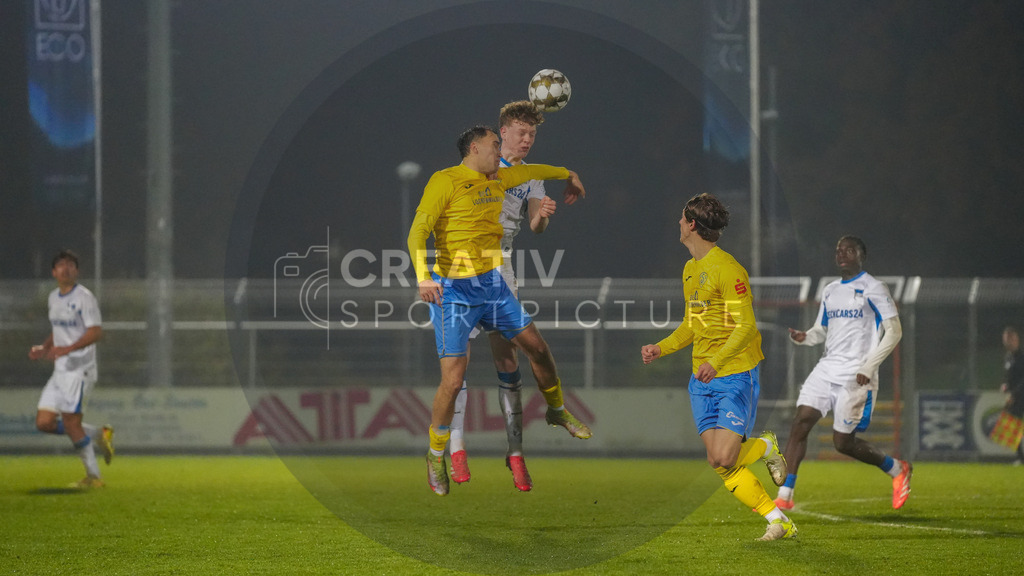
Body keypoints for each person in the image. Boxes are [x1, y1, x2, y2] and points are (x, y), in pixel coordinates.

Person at [408, 125, 592, 496]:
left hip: (492, 286)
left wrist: (569, 174)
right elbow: (417, 232)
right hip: (453, 292)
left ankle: (556, 410)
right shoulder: (445, 181)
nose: (500, 153)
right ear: (475, 148)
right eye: (495, 146)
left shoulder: (501, 177)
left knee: (537, 348)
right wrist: (423, 277)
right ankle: (435, 452)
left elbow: (536, 170)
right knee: (453, 380)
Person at [641, 193, 794, 542]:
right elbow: (691, 326)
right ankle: (778, 520)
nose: (678, 223)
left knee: (726, 455)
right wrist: (660, 348)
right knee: (719, 462)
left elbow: (746, 327)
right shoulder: (690, 269)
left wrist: (716, 362)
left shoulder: (727, 269)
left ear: (692, 224)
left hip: (734, 374)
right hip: (701, 379)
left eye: (682, 218)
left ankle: (767, 446)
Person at [447, 101, 584, 492]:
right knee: (458, 364)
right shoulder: (481, 163)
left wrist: (543, 215)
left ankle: (516, 452)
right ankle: (457, 450)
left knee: (509, 357)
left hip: (503, 266)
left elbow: (537, 227)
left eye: (533, 135)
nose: (527, 140)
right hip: (464, 262)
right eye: (521, 133)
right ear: (502, 132)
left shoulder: (530, 178)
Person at [773, 236, 911, 510]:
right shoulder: (830, 289)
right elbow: (822, 329)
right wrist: (805, 336)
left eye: (849, 249)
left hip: (856, 374)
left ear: (862, 254)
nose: (841, 254)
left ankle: (897, 469)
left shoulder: (874, 288)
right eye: (838, 250)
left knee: (842, 443)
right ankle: (784, 497)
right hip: (826, 368)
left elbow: (894, 331)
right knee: (801, 422)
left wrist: (869, 366)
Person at [29, 249, 114, 488]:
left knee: (71, 423)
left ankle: (94, 478)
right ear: (54, 272)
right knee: (44, 423)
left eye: (70, 265)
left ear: (76, 271)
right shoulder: (53, 298)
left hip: (80, 370)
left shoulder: (84, 297)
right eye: (61, 265)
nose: (66, 269)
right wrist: (43, 347)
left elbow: (96, 332)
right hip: (60, 370)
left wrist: (69, 349)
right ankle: (98, 434)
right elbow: (58, 331)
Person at [999, 325, 1024, 463]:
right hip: (1015, 397)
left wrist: (1014, 393)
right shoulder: (1008, 358)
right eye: (1005, 339)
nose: (1007, 341)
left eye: (1010, 338)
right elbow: (1008, 377)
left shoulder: (1022, 357)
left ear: (1016, 340)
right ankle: (1020, 458)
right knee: (1012, 426)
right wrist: (1004, 385)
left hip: (1020, 395)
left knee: (1014, 426)